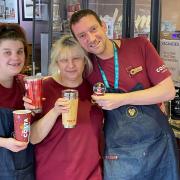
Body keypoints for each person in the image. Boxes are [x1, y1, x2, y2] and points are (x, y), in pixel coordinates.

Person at [70, 9, 180, 180]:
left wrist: (121, 99)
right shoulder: (86, 67)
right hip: (119, 152)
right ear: (77, 41)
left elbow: (168, 91)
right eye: (82, 35)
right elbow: (62, 81)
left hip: (158, 145)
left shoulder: (140, 46)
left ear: (104, 27)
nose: (90, 39)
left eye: (93, 29)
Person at [24, 35, 103, 180]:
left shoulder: (95, 90)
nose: (71, 65)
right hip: (53, 174)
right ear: (57, 63)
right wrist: (54, 112)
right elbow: (33, 138)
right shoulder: (43, 89)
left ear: (85, 61)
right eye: (64, 60)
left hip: (91, 174)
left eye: (76, 59)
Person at [0, 23, 35, 179]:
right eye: (7, 52)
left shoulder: (26, 85)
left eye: (20, 51)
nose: (15, 57)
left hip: (24, 170)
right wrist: (4, 143)